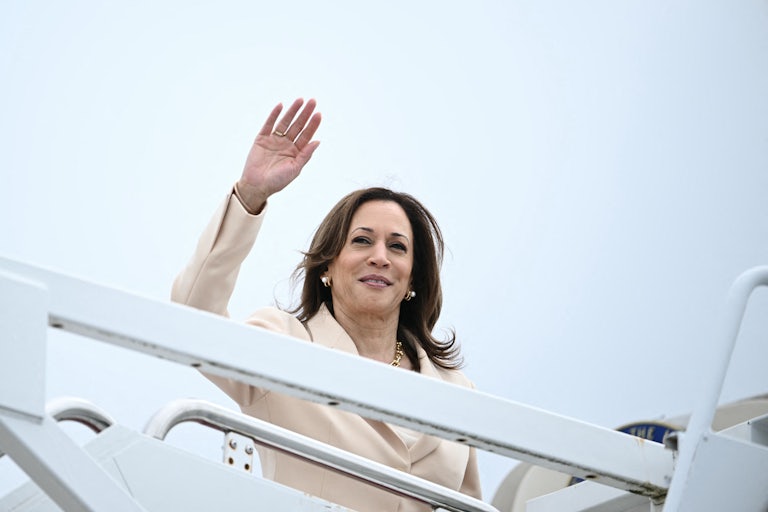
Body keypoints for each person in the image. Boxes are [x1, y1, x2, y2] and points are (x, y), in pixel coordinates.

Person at [171, 98, 481, 511]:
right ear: (327, 268)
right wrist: (250, 196)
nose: (380, 257)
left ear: (412, 278)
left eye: (397, 247)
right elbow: (193, 321)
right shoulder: (284, 346)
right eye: (362, 240)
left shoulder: (455, 389)